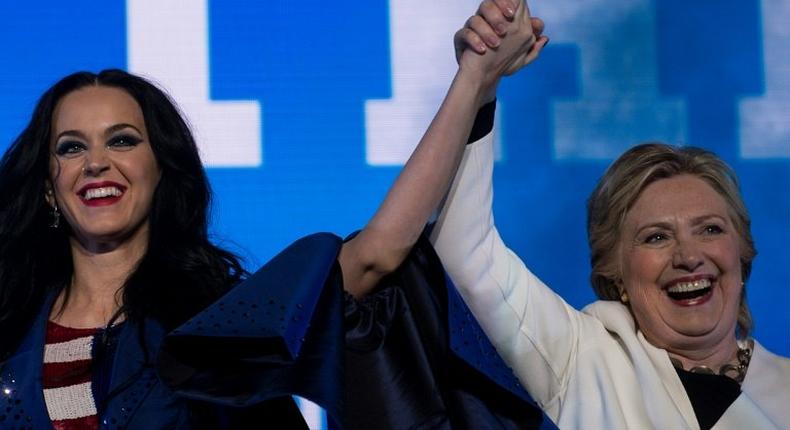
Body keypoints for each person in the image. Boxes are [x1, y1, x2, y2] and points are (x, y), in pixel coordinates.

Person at [0, 2, 548, 429]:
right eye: (71, 148)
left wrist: (475, 80)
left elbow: (378, 252)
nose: (96, 163)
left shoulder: (216, 321)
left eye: (122, 141)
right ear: (49, 189)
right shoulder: (9, 328)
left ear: (161, 172)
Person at [429, 1, 790, 429]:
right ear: (615, 272)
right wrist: (479, 82)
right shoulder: (585, 359)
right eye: (656, 237)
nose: (689, 256)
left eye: (710, 229)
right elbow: (463, 252)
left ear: (742, 253)